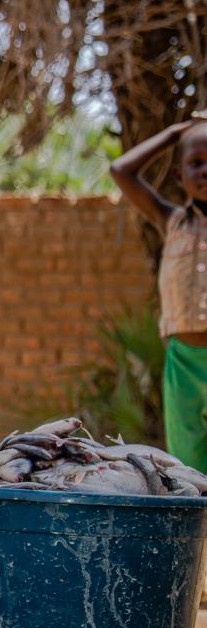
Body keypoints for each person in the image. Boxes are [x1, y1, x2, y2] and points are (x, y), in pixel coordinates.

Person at [111, 113, 207, 473]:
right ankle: (198, 530)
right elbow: (121, 171)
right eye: (195, 163)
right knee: (190, 465)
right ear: (179, 175)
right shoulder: (170, 220)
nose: (204, 171)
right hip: (183, 359)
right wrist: (173, 133)